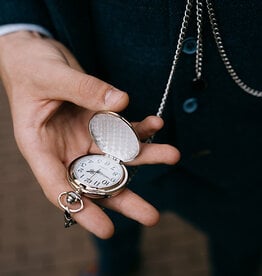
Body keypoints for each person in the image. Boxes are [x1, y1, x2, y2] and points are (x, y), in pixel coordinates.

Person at [0, 1, 261, 276]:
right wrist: (18, 36)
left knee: (241, 243)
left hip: (244, 147)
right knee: (110, 231)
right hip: (97, 123)